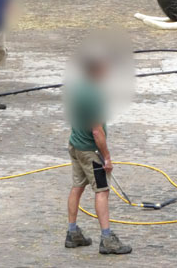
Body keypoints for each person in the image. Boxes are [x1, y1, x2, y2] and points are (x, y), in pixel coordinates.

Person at [65, 56, 132, 255]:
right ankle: (107, 238)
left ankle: (72, 232)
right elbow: (97, 131)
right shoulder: (95, 94)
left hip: (75, 145)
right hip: (90, 151)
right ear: (97, 70)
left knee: (77, 187)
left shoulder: (79, 87)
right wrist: (107, 157)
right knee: (102, 190)